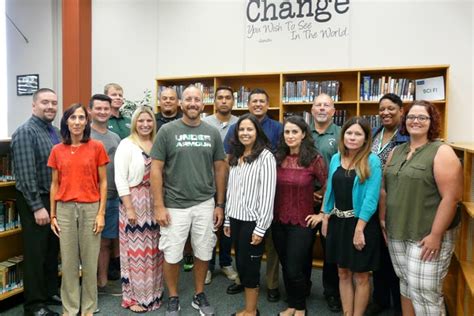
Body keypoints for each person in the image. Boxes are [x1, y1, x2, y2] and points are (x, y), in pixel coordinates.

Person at [151, 85, 227, 316]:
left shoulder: (212, 132)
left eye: (197, 99)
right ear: (181, 104)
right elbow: (156, 169)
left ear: (203, 104)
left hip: (205, 203)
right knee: (172, 254)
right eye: (188, 99)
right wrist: (159, 205)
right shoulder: (166, 131)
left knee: (203, 251)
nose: (193, 103)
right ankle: (173, 296)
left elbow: (220, 169)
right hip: (174, 204)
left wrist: (219, 204)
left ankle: (199, 293)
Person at [382, 100, 462, 315]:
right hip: (397, 230)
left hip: (427, 234)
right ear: (404, 121)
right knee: (406, 285)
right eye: (411, 117)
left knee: (425, 292)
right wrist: (383, 221)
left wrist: (436, 235)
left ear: (432, 121)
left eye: (422, 117)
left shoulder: (441, 151)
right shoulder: (396, 152)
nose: (415, 121)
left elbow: (451, 198)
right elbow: (385, 190)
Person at [48, 103, 108, 316]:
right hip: (64, 210)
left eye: (81, 118)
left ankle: (89, 308)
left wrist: (101, 213)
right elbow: (54, 184)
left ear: (86, 122)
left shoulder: (96, 147)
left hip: (90, 208)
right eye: (72, 118)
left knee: (90, 262)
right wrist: (53, 214)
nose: (77, 122)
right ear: (66, 121)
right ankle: (70, 309)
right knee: (69, 262)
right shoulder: (57, 150)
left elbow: (103, 182)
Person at [224, 88, 282, 301]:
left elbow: (268, 196)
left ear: (257, 131)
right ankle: (248, 307)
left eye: (250, 129)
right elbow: (233, 191)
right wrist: (228, 219)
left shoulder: (265, 157)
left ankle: (251, 310)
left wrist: (261, 227)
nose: (245, 133)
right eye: (241, 130)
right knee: (242, 263)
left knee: (250, 266)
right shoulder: (237, 156)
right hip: (236, 219)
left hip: (252, 222)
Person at [322, 117, 382, 316]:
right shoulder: (336, 158)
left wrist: (359, 229)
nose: (352, 137)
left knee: (361, 276)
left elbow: (371, 199)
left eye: (358, 134)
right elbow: (330, 188)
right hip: (338, 223)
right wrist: (325, 214)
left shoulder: (371, 160)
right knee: (343, 272)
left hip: (361, 224)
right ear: (343, 135)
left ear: (366, 139)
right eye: (349, 133)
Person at [11, 88, 61, 316]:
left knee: (52, 251)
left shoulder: (56, 132)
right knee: (36, 254)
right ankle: (34, 306)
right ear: (34, 105)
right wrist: (37, 207)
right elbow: (24, 174)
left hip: (53, 200)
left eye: (53, 103)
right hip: (36, 201)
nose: (50, 107)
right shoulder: (25, 132)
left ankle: (49, 291)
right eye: (45, 102)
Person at [273, 116, 327, 316]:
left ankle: (300, 308)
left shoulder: (314, 158)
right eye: (287, 132)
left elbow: (329, 184)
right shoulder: (277, 157)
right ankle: (292, 305)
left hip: (303, 221)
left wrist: (321, 210)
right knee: (286, 265)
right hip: (278, 220)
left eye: (295, 132)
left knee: (295, 267)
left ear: (304, 134)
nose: (290, 136)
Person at [114, 106, 164, 312]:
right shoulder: (126, 145)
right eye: (141, 121)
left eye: (149, 120)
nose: (145, 124)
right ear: (134, 123)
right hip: (134, 200)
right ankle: (133, 298)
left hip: (155, 200)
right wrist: (130, 209)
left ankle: (153, 294)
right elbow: (120, 178)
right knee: (134, 252)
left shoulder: (158, 143)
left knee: (154, 250)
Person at [366, 93, 408, 316]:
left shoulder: (408, 136)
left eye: (391, 108)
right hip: (372, 201)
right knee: (378, 253)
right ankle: (380, 298)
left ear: (401, 110)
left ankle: (399, 304)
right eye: (382, 109)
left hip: (395, 201)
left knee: (396, 255)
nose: (385, 113)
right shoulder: (375, 133)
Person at [203, 86, 239, 285]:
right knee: (209, 226)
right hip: (208, 182)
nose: (224, 101)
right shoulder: (204, 123)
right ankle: (208, 265)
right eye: (220, 98)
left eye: (228, 98)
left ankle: (226, 262)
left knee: (227, 224)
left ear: (233, 101)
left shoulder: (241, 123)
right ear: (214, 101)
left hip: (233, 183)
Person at [309, 93, 342, 312]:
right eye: (318, 105)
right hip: (303, 199)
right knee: (303, 247)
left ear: (333, 110)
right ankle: (302, 287)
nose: (322, 108)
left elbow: (342, 166)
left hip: (332, 200)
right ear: (312, 110)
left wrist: (323, 191)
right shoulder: (303, 133)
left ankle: (331, 292)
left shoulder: (341, 134)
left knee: (330, 248)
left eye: (326, 105)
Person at [87, 94, 122, 296]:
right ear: (90, 111)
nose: (102, 112)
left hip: (112, 197)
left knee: (107, 241)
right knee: (90, 242)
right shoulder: (85, 136)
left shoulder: (115, 137)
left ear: (111, 111)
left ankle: (103, 282)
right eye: (98, 108)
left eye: (105, 109)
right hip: (91, 199)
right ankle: (89, 285)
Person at [104, 83, 130, 281]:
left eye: (120, 94)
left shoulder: (129, 120)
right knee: (110, 227)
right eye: (114, 94)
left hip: (130, 182)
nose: (118, 97)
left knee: (123, 225)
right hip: (110, 182)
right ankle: (111, 265)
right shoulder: (104, 121)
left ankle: (122, 261)